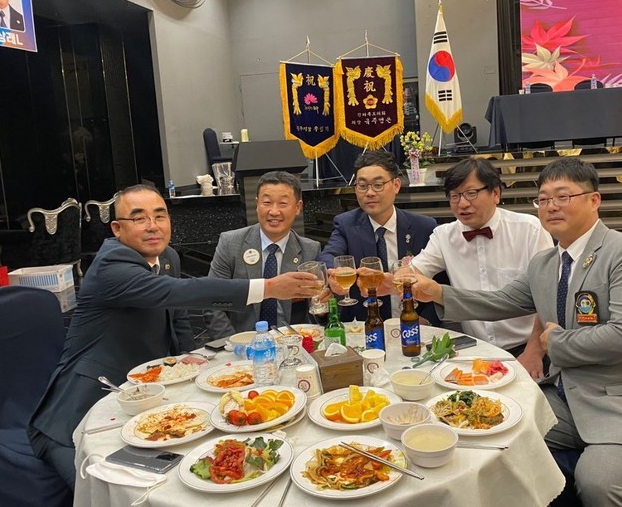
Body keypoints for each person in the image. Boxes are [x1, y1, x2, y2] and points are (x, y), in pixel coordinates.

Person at [412, 157, 622, 505]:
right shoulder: (545, 263)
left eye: (563, 196)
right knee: (486, 432)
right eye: (543, 199)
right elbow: (501, 301)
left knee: (598, 483)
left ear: (594, 200)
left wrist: (554, 342)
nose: (551, 206)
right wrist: (437, 293)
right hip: (571, 395)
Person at [28, 184, 319, 488]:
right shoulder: (111, 267)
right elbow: (179, 292)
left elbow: (178, 316)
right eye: (139, 218)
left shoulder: (166, 257)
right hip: (80, 415)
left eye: (160, 216)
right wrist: (268, 288)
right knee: (113, 490)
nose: (152, 226)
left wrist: (188, 363)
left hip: (144, 403)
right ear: (117, 228)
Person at [409, 157, 553, 373]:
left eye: (471, 193)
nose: (462, 204)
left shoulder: (530, 230)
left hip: (526, 348)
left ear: (496, 193)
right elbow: (414, 272)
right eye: (455, 196)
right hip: (474, 350)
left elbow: (548, 298)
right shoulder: (443, 235)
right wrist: (392, 279)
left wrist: (534, 352)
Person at [318, 150, 439, 322]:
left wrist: (426, 320)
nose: (370, 193)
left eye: (378, 184)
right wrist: (334, 272)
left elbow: (440, 282)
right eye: (362, 186)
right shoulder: (346, 224)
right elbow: (329, 254)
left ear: (396, 185)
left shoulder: (423, 227)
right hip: (363, 325)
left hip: (414, 323)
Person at [204, 171, 321, 338]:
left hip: (291, 342)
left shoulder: (310, 250)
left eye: (283, 203)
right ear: (257, 204)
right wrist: (234, 345)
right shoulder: (230, 243)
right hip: (242, 343)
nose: (274, 211)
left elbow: (317, 308)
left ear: (297, 207)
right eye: (267, 202)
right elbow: (211, 301)